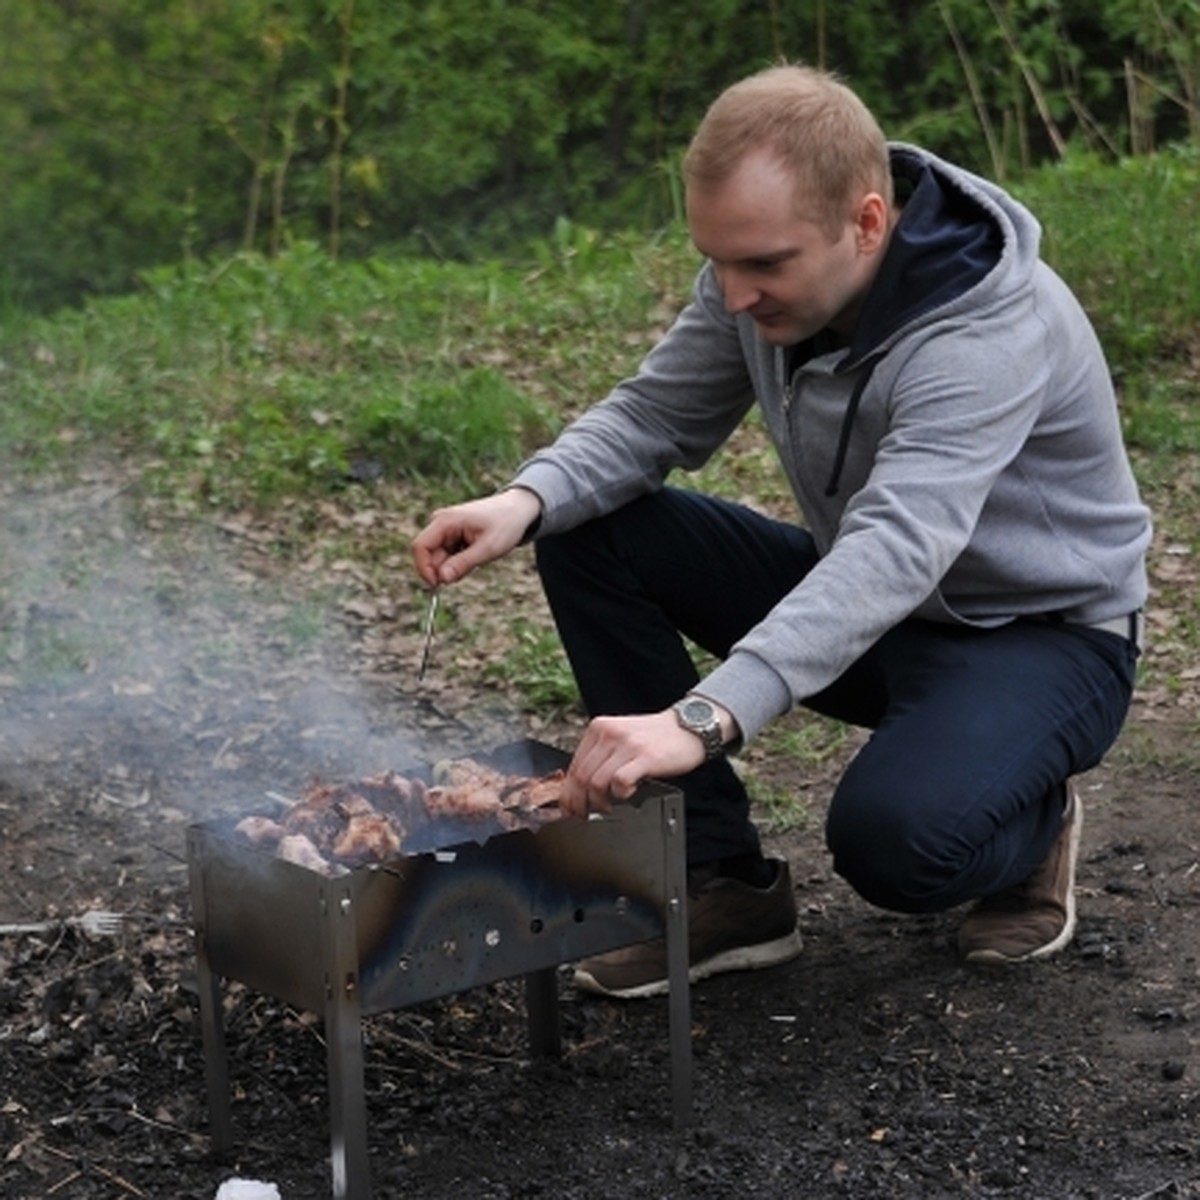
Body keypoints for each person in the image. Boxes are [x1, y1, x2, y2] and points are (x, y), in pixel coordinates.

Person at [412, 64, 1151, 1000]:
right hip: (886, 619)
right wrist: (525, 500)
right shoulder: (765, 282)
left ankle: (1030, 825)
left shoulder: (985, 335)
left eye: (762, 264)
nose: (732, 297)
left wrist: (701, 719)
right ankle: (722, 883)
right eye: (717, 260)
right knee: (588, 526)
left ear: (869, 222)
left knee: (897, 846)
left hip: (1042, 640)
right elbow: (652, 417)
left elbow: (896, 548)